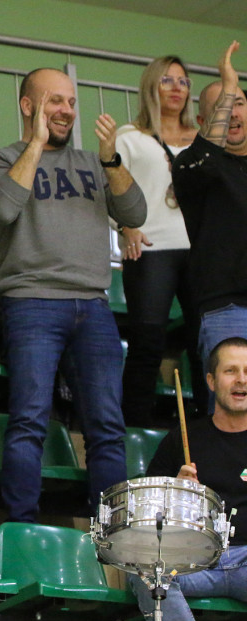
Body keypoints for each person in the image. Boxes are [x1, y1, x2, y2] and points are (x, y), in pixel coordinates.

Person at [0, 67, 147, 523]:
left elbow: (135, 212)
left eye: (71, 102)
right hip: (31, 301)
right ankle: (22, 527)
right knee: (29, 421)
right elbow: (4, 207)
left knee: (108, 428)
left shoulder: (94, 163)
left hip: (94, 304)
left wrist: (111, 161)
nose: (67, 110)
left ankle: (110, 532)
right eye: (55, 100)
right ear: (27, 105)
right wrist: (35, 144)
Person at [126, 337, 247, 621]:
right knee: (144, 570)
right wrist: (175, 491)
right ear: (211, 381)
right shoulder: (181, 439)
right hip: (195, 562)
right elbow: (145, 517)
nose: (241, 379)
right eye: (230, 371)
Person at [116, 56, 202, 427]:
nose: (177, 88)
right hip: (151, 249)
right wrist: (124, 226)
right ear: (151, 85)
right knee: (147, 343)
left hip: (200, 250)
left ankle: (208, 431)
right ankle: (134, 431)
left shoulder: (203, 141)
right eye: (167, 80)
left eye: (183, 82)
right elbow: (109, 188)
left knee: (205, 345)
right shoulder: (129, 136)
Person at [172, 42, 247, 402]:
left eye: (239, 103)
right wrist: (229, 86)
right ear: (203, 122)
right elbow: (206, 157)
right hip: (226, 308)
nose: (231, 112)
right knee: (233, 415)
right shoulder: (190, 165)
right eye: (222, 106)